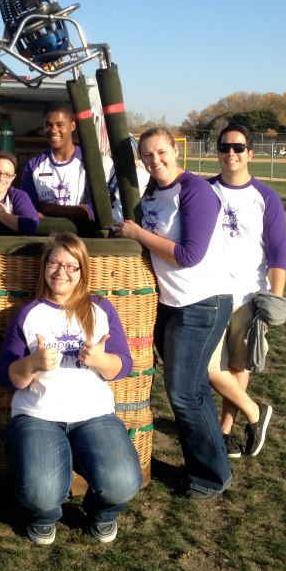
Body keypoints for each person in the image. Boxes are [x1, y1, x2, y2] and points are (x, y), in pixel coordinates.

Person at [0, 232, 141, 545]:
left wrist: (100, 360)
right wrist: (32, 364)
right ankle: (43, 516)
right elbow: (8, 377)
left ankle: (102, 514)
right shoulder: (29, 313)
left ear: (82, 271)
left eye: (71, 266)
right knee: (41, 491)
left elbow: (123, 366)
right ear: (45, 266)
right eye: (54, 263)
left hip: (95, 415)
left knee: (124, 483)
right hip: (38, 416)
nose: (61, 272)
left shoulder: (101, 309)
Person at [113, 127, 233, 500]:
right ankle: (212, 467)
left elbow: (188, 254)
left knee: (182, 392)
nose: (155, 160)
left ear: (175, 151)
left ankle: (210, 477)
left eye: (161, 152)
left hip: (202, 302)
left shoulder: (195, 190)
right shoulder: (151, 193)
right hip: (171, 304)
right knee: (193, 388)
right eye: (147, 156)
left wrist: (135, 233)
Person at [207, 125, 286, 459]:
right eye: (225, 147)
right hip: (209, 294)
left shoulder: (265, 197)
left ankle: (226, 432)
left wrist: (273, 302)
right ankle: (256, 412)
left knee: (240, 367)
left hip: (249, 297)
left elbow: (278, 253)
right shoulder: (204, 190)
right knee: (208, 367)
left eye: (238, 148)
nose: (231, 153)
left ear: (250, 153)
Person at [20, 101, 94, 221]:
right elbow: (28, 211)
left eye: (60, 125)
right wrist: (75, 211)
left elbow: (91, 212)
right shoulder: (32, 166)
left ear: (73, 126)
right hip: (44, 237)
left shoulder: (90, 164)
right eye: (48, 125)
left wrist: (46, 208)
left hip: (81, 237)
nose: (53, 130)